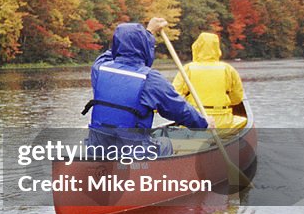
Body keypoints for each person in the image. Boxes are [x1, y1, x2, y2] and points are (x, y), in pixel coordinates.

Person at [83, 17, 212, 157]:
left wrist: (149, 32)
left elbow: (110, 54)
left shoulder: (99, 69)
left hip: (97, 151)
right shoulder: (150, 79)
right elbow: (179, 110)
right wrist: (204, 124)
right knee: (165, 143)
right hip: (133, 154)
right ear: (145, 47)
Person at [172, 32, 247, 130]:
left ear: (196, 47)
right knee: (242, 121)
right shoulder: (228, 69)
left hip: (196, 120)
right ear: (217, 48)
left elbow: (173, 96)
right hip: (223, 123)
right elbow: (237, 98)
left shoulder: (187, 69)